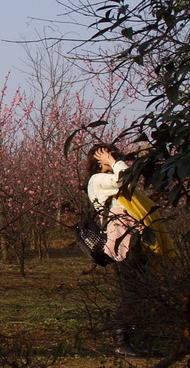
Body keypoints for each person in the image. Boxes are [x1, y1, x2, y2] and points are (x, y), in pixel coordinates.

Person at [86, 144, 148, 357]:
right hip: (122, 245)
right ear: (97, 161)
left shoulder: (111, 181)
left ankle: (134, 340)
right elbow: (123, 177)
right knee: (130, 294)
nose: (114, 159)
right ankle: (121, 342)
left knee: (140, 293)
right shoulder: (98, 180)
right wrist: (113, 162)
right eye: (107, 156)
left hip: (134, 242)